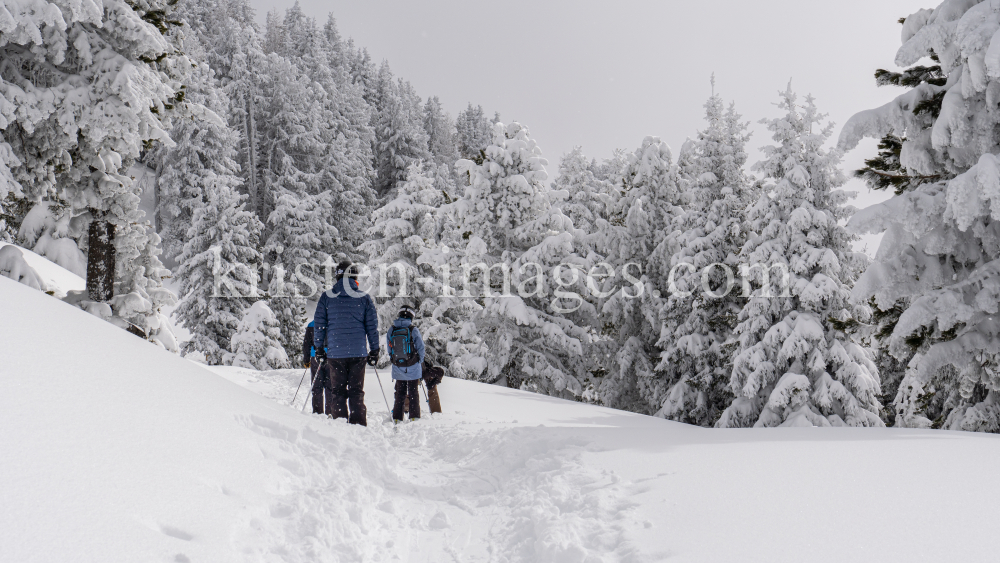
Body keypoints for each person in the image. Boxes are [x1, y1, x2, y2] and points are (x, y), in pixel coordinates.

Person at [313, 261, 379, 426]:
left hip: (336, 353)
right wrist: (374, 350)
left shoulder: (327, 297)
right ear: (354, 276)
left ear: (337, 276)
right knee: (356, 391)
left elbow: (319, 324)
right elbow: (372, 327)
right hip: (358, 352)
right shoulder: (363, 298)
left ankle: (340, 425)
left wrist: (319, 348)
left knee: (338, 392)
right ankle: (358, 424)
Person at [388, 305, 425, 422]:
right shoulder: (413, 329)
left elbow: (390, 348)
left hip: (398, 365)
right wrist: (420, 360)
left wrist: (393, 359)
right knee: (413, 391)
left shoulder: (392, 329)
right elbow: (421, 347)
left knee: (400, 392)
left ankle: (397, 417)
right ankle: (414, 416)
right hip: (413, 365)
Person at [302, 320, 330, 415]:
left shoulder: (311, 325)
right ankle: (330, 413)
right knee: (330, 386)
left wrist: (306, 360)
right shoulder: (332, 322)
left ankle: (317, 412)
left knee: (317, 386)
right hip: (331, 357)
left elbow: (307, 344)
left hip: (315, 357)